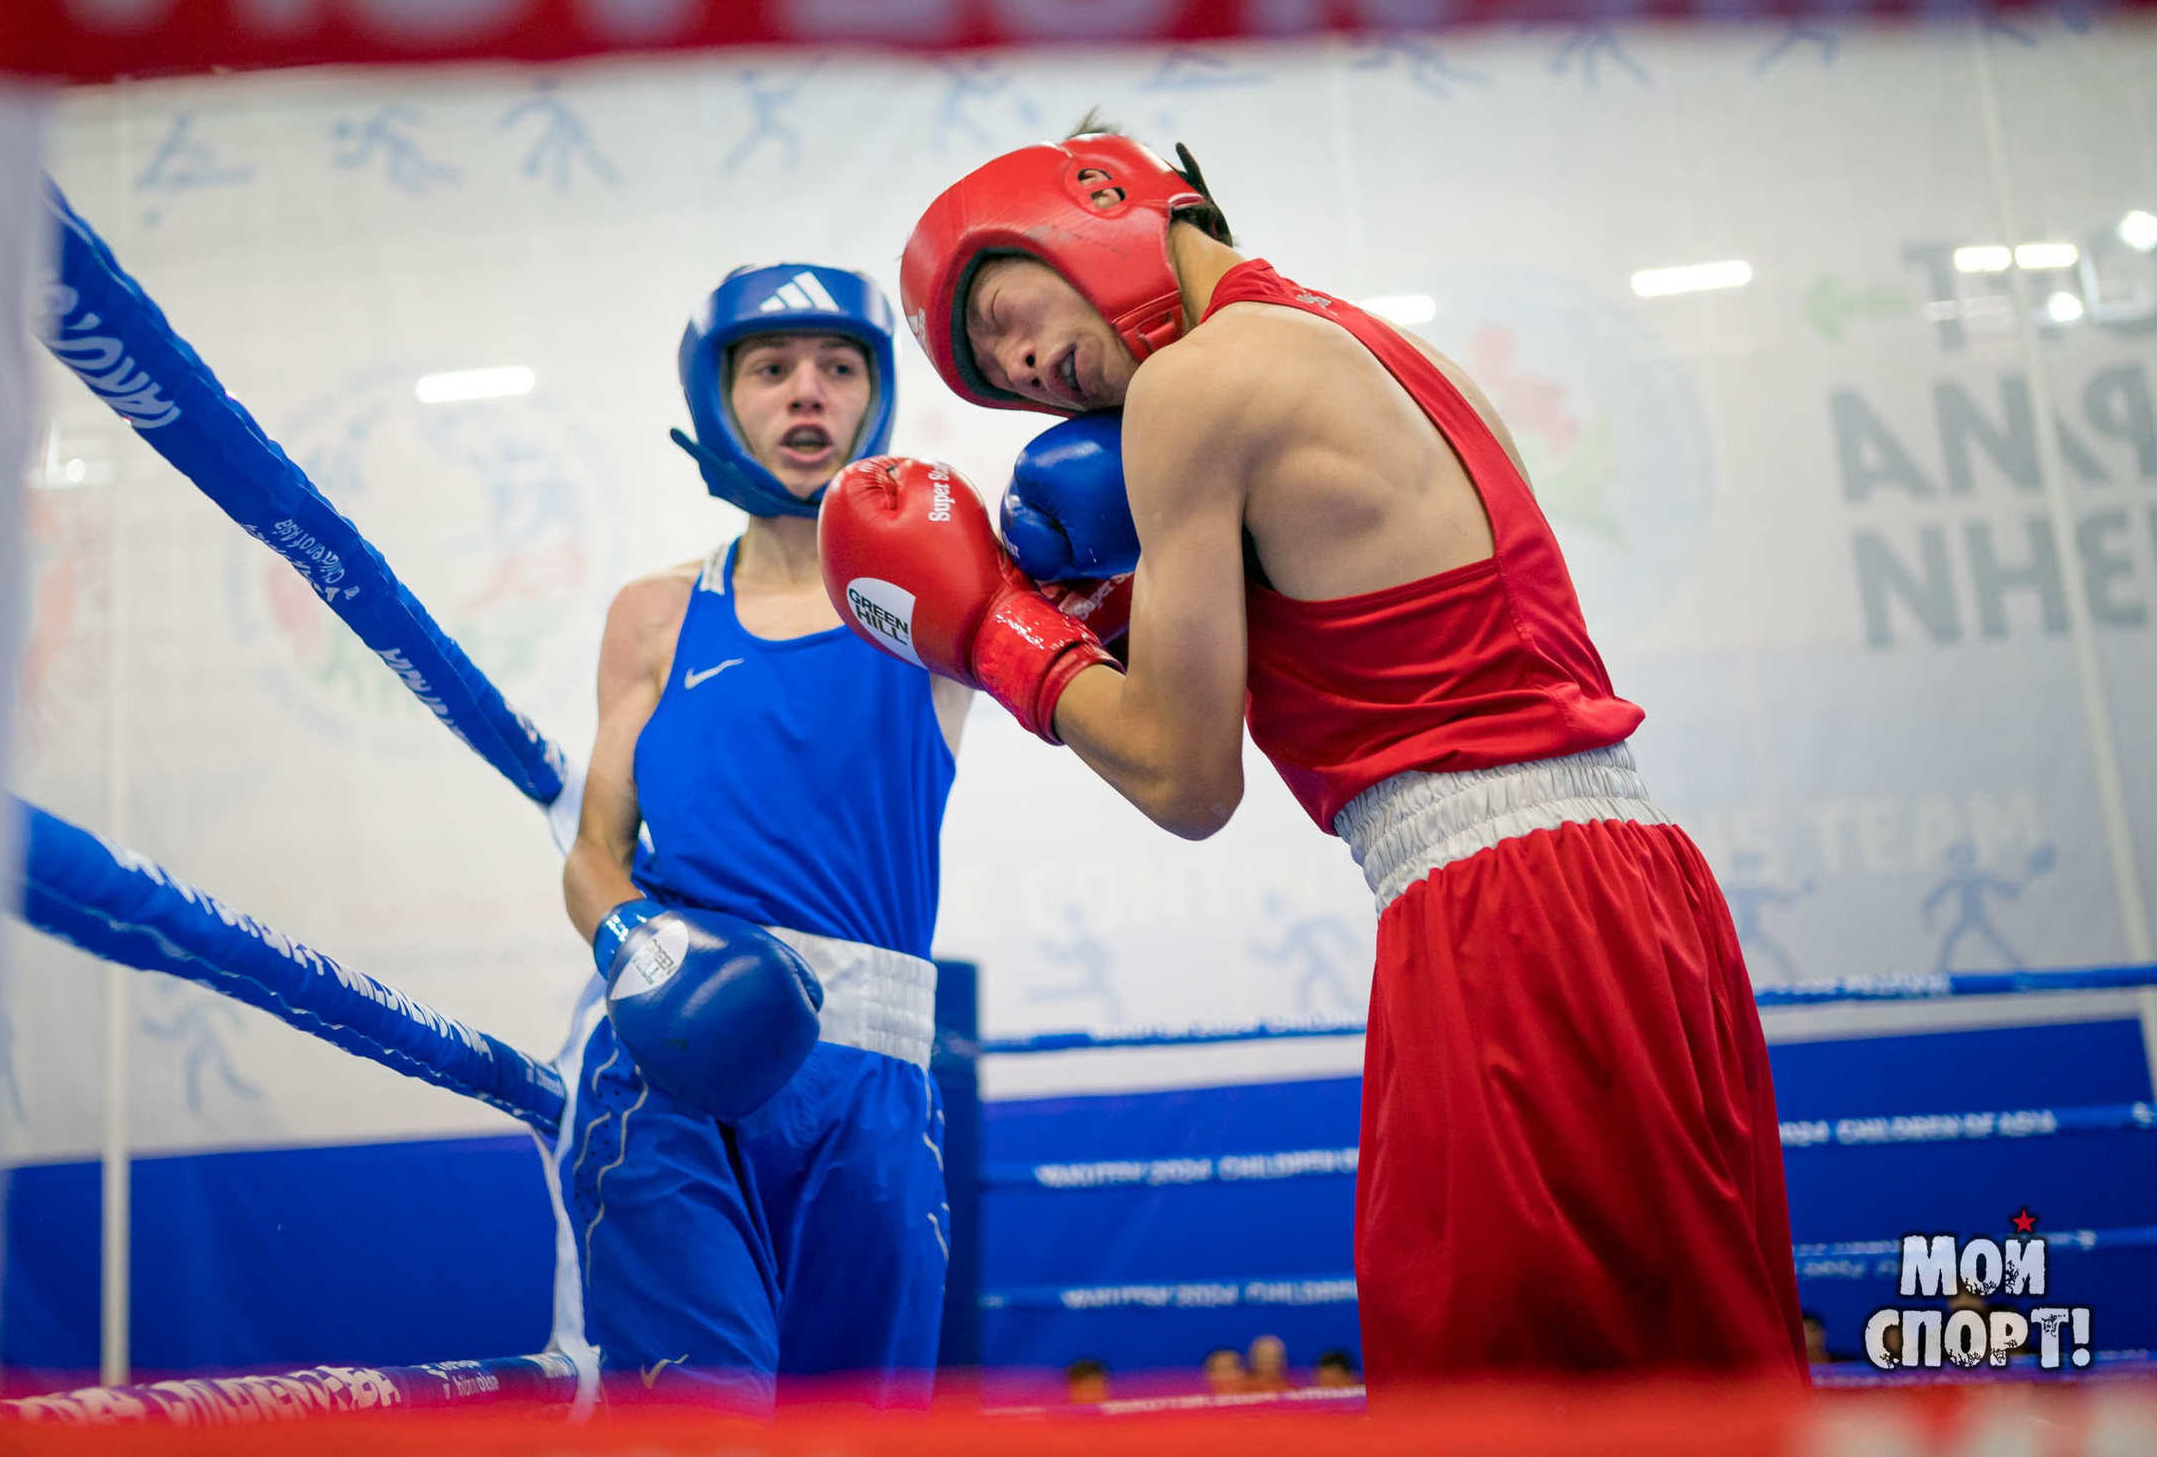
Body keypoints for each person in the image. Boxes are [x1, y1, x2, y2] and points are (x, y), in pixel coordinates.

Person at [819, 129, 1807, 1384]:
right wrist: (1115, 610)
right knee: (1696, 1369)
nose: (1021, 368)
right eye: (1000, 377)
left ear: (1098, 206)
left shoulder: (1193, 392)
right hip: (1642, 895)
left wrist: (1003, 639)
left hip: (1508, 916)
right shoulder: (1371, 345)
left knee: (1492, 1386)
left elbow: (1187, 779)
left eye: (1004, 315)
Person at [557, 263, 973, 1411]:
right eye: (772, 368)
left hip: (875, 1082)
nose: (808, 394)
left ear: (873, 395)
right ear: (719, 397)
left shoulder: (940, 591)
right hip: (676, 1064)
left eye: (839, 368)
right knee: (704, 1421)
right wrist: (647, 953)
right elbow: (593, 857)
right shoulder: (655, 612)